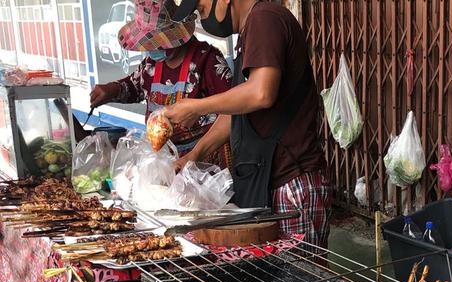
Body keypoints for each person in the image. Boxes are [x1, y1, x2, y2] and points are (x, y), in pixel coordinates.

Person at [163, 0, 331, 249]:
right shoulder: (252, 29)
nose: (202, 18)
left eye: (202, 9)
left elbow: (261, 93)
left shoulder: (265, 19)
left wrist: (196, 106)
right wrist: (196, 154)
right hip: (267, 182)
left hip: (291, 184)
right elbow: (237, 112)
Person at [90, 0, 233, 167]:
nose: (154, 48)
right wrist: (111, 90)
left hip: (205, 159)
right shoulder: (151, 65)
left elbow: (234, 107)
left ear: (175, 35)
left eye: (159, 42)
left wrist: (199, 110)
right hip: (167, 158)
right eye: (151, 43)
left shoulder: (206, 60)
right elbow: (135, 86)